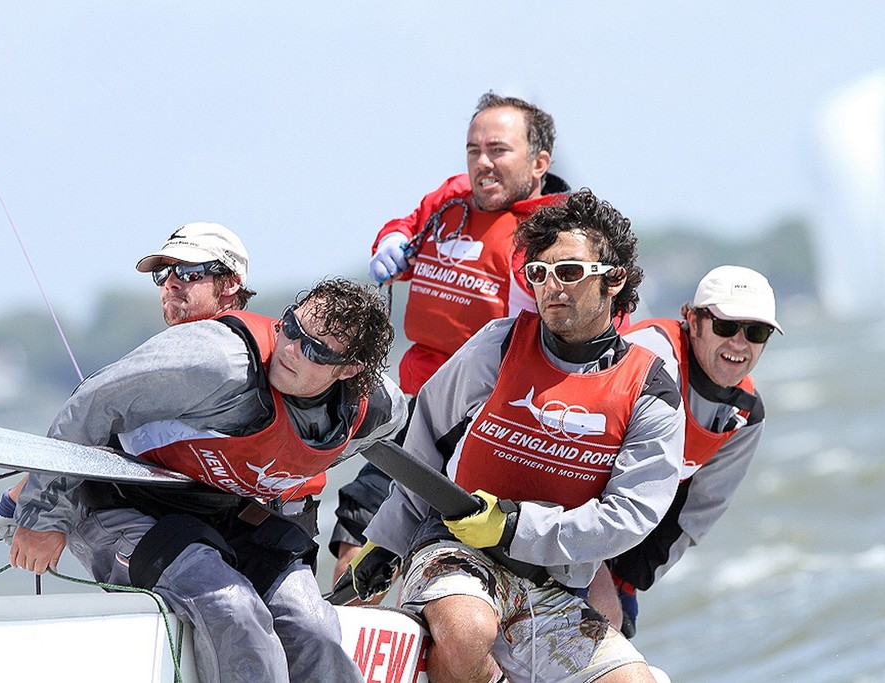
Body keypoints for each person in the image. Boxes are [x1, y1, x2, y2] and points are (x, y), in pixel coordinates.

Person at [347, 190, 686, 683]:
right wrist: (387, 539)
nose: (552, 287)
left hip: (551, 581)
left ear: (613, 281)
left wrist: (513, 527)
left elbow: (630, 515)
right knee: (465, 631)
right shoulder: (499, 343)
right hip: (454, 550)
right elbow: (424, 439)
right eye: (539, 273)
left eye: (569, 272)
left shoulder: (651, 388)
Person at [8, 275, 408, 683]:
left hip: (223, 511)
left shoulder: (378, 411)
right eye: (291, 327)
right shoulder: (216, 363)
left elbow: (394, 441)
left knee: (315, 630)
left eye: (314, 350)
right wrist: (43, 517)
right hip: (123, 503)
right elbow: (88, 406)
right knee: (236, 612)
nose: (290, 349)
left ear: (350, 370)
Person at [332, 91, 572, 582]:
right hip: (414, 399)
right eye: (473, 149)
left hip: (483, 415)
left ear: (538, 162)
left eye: (498, 150)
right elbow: (408, 223)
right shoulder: (451, 198)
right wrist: (392, 242)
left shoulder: (552, 236)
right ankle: (355, 633)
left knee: (427, 538)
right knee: (357, 521)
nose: (482, 163)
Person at [0, 221, 256, 546]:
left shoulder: (212, 356)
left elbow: (91, 408)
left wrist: (38, 518)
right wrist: (15, 501)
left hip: (207, 527)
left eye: (189, 272)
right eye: (163, 274)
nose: (171, 284)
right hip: (205, 524)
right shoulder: (217, 354)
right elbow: (115, 438)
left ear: (231, 282)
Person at [588, 265, 782, 638]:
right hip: (563, 513)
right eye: (726, 326)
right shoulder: (648, 362)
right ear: (692, 320)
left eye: (756, 332)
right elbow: (576, 463)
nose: (740, 344)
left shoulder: (744, 415)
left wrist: (625, 583)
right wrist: (590, 569)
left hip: (617, 541)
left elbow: (692, 515)